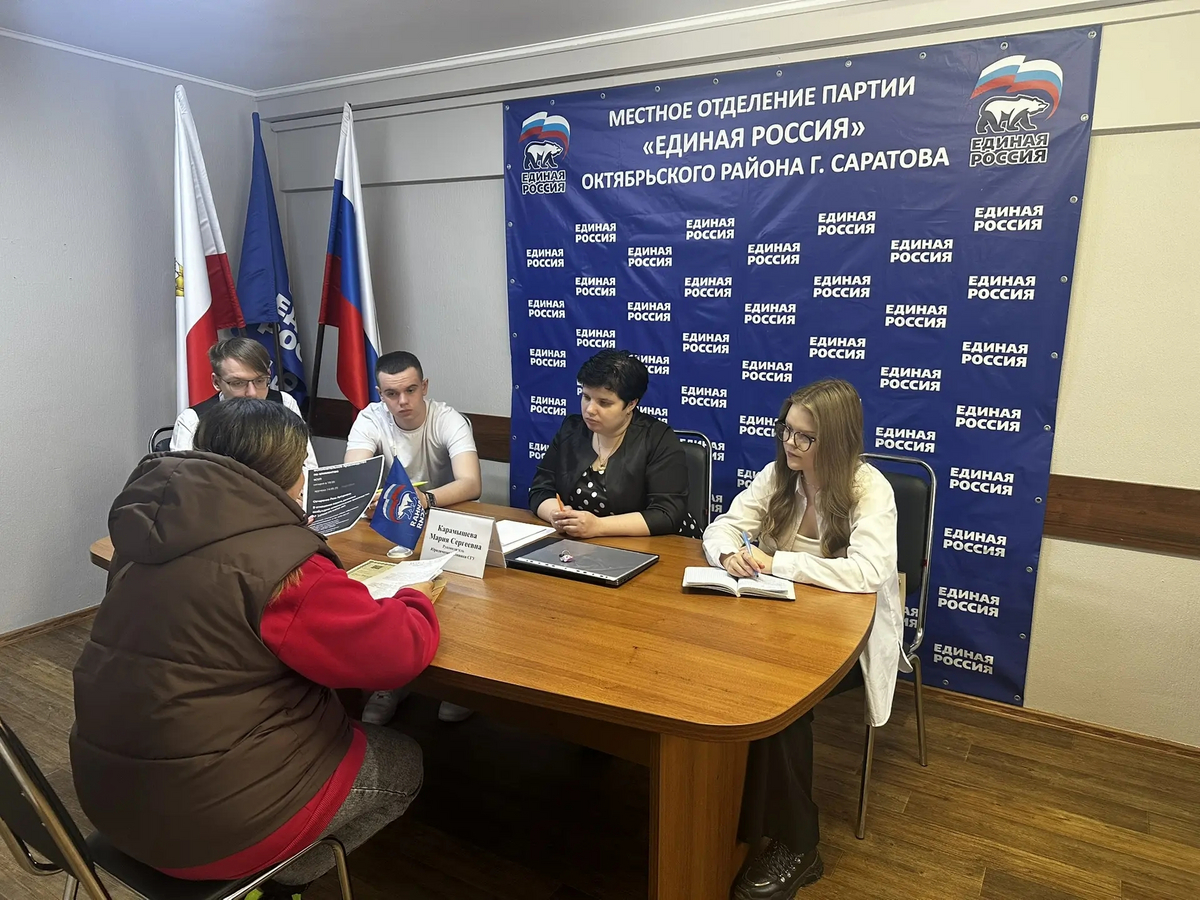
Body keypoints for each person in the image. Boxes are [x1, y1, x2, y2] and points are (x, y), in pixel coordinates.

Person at [71, 399, 440, 898]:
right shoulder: (282, 563)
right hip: (205, 828)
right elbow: (396, 655)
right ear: (289, 473)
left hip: (106, 799)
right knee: (404, 763)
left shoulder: (139, 539)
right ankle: (278, 883)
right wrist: (416, 596)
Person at [702, 379, 905, 899]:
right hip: (777, 624)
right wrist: (728, 555)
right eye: (786, 429)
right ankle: (727, 814)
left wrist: (777, 562)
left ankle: (799, 845)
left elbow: (868, 572)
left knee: (783, 705)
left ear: (836, 441)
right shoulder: (778, 475)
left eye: (805, 437)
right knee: (717, 669)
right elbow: (722, 526)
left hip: (849, 636)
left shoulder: (870, 489)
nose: (789, 443)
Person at [344, 350, 481, 725]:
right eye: (391, 394)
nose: (402, 401)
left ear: (425, 387)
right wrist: (370, 498)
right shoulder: (370, 418)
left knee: (459, 604)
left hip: (445, 522)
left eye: (410, 390)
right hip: (394, 526)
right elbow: (356, 477)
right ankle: (392, 681)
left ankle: (458, 685)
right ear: (380, 394)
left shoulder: (447, 418)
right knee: (383, 599)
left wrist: (424, 499)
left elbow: (471, 483)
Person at [529, 349, 697, 538]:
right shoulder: (571, 429)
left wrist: (598, 527)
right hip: (582, 544)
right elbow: (540, 489)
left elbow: (667, 514)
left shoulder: (658, 438)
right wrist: (557, 516)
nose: (590, 409)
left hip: (654, 545)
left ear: (631, 404)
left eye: (604, 402)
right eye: (586, 397)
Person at [170, 336, 317, 470]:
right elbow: (183, 480)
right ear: (216, 382)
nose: (252, 393)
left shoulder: (284, 403)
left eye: (260, 380)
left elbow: (308, 466)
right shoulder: (193, 419)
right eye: (238, 383)